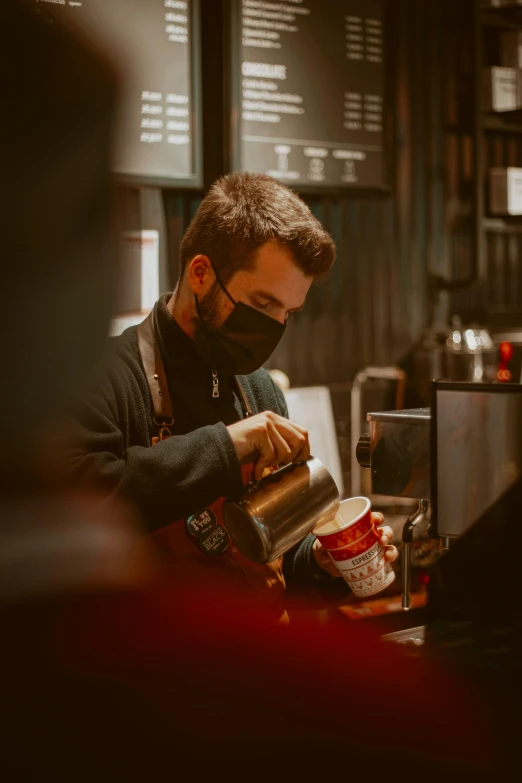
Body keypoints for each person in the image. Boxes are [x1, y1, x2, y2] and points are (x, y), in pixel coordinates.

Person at [68, 172, 398, 618]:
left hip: (255, 668)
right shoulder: (102, 374)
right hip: (146, 670)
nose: (275, 327)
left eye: (289, 313)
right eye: (263, 305)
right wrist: (228, 445)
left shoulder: (258, 390)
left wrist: (321, 564)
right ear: (201, 273)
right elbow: (83, 505)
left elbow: (275, 558)